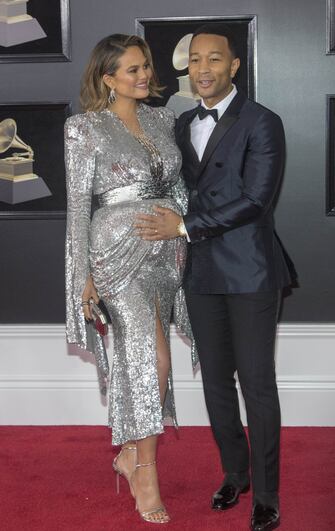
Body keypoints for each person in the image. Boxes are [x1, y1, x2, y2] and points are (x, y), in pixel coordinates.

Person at [135, 24, 294, 531]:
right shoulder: (181, 124)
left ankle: (266, 494)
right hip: (200, 271)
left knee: (256, 384)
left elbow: (255, 201)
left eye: (214, 60)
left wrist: (182, 226)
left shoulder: (263, 122)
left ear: (233, 66)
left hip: (250, 269)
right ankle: (235, 474)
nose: (202, 69)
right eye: (195, 61)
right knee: (217, 386)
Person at [65, 33, 195, 524]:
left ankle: (129, 456)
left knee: (154, 358)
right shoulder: (85, 129)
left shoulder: (164, 119)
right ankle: (145, 470)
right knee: (152, 357)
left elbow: (180, 186)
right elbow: (79, 209)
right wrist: (82, 279)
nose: (144, 76)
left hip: (165, 254)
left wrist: (177, 224)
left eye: (145, 66)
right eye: (133, 70)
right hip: (115, 255)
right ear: (108, 78)